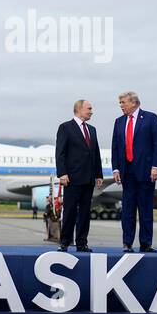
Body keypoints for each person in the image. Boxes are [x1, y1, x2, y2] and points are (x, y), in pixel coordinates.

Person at [109, 90, 157, 253]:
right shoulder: (119, 122)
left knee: (145, 209)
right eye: (120, 103)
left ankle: (146, 243)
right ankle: (127, 243)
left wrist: (156, 166)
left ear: (134, 103)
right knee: (127, 209)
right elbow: (115, 147)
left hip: (146, 172)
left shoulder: (150, 118)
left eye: (123, 102)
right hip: (127, 172)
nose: (121, 106)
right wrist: (116, 168)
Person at [55, 98, 104, 252]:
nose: (91, 111)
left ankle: (82, 242)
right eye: (89, 108)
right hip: (72, 178)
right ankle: (65, 241)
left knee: (85, 212)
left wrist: (99, 174)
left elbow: (95, 154)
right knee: (69, 211)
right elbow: (60, 153)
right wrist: (62, 173)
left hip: (89, 178)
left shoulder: (92, 129)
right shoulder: (65, 127)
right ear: (79, 109)